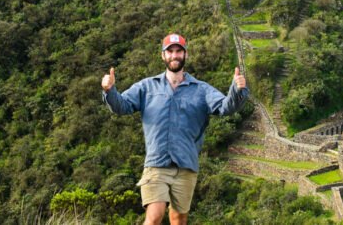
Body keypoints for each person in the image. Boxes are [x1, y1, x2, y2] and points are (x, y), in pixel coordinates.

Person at [101, 33, 248, 225]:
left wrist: (237, 90)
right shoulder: (147, 86)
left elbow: (224, 107)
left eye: (179, 51)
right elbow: (122, 106)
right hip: (156, 163)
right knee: (154, 215)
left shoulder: (201, 89)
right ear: (163, 56)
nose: (174, 55)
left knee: (178, 219)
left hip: (186, 164)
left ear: (185, 55)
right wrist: (109, 90)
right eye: (170, 51)